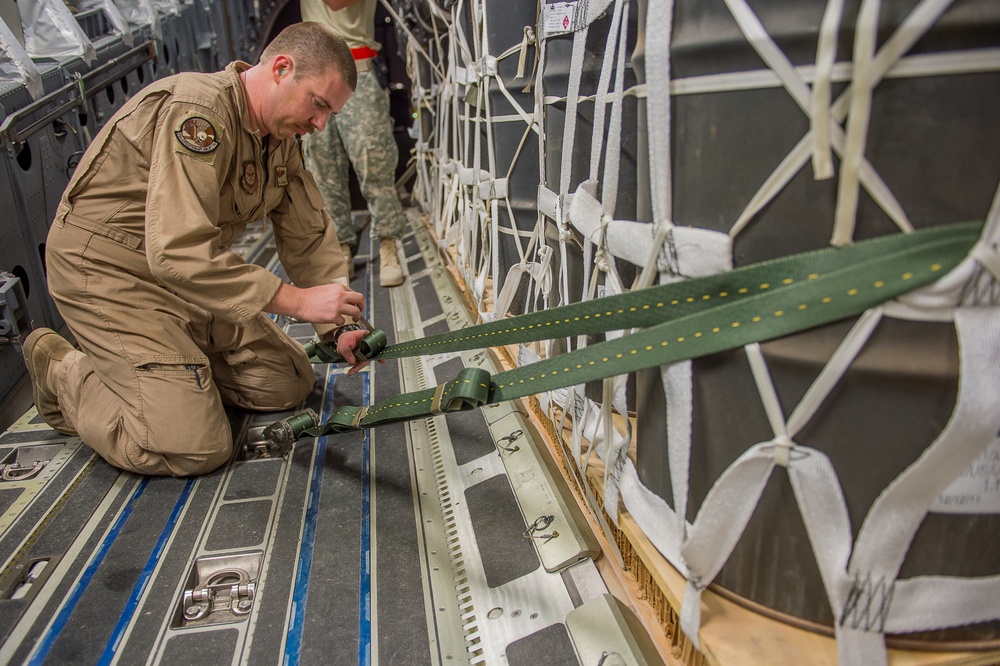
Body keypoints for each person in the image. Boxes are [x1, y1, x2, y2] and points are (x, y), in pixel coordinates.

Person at [22, 22, 372, 477]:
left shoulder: (279, 138)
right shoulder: (199, 113)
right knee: (193, 448)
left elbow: (306, 236)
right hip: (110, 271)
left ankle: (170, 371)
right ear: (282, 69)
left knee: (287, 383)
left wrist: (339, 326)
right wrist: (298, 300)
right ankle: (64, 372)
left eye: (331, 115)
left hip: (183, 278)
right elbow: (177, 248)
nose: (321, 125)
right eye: (319, 105)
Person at [299, 0, 407, 287]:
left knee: (373, 162)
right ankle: (340, 248)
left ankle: (388, 244)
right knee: (322, 169)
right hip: (311, 73)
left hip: (357, 70)